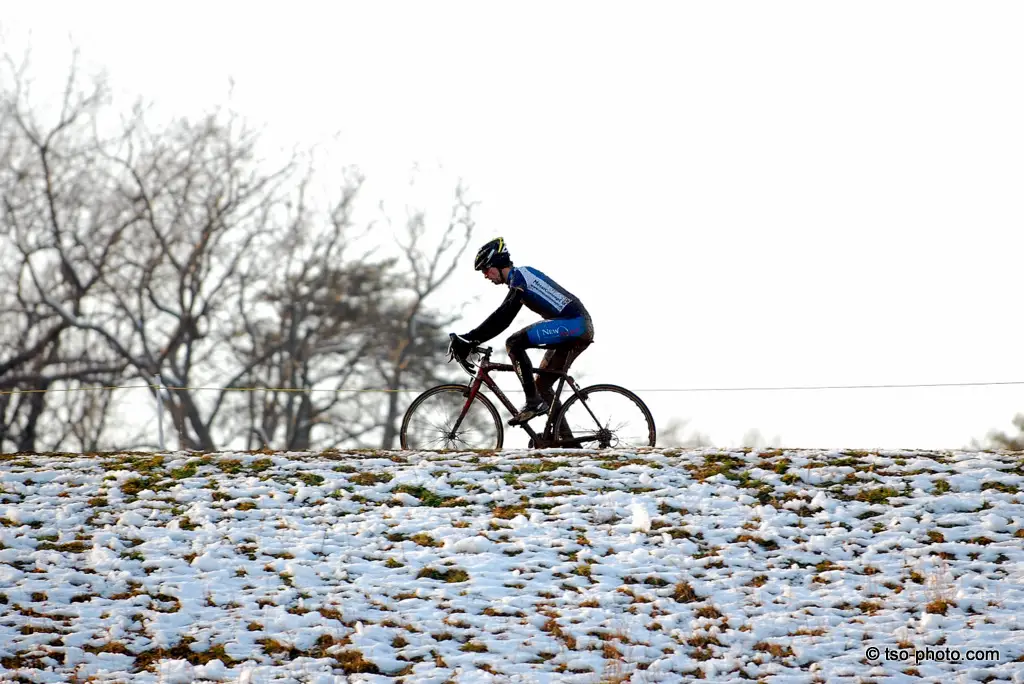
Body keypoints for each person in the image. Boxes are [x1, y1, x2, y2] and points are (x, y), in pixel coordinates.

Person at [449, 237, 594, 428]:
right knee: (540, 387)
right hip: (574, 326)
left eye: (486, 269)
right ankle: (566, 441)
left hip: (575, 325)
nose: (485, 275)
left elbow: (503, 317)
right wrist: (470, 339)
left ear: (498, 264)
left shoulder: (521, 277)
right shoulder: (517, 281)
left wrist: (470, 339)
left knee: (514, 343)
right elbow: (500, 316)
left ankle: (533, 404)